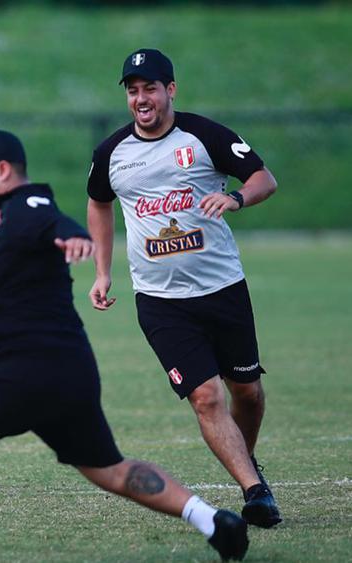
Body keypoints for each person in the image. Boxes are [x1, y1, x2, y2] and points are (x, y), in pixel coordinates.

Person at [0, 129, 250, 563]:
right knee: (110, 469)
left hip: (14, 374)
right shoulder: (5, 217)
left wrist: (75, 236)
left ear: (3, 170)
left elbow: (52, 221)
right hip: (66, 375)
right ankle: (214, 521)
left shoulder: (29, 204)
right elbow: (13, 237)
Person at [86, 48, 281, 528]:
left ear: (170, 90)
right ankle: (255, 491)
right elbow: (98, 203)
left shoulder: (205, 135)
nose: (141, 98)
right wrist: (102, 272)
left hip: (222, 288)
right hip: (160, 301)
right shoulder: (111, 152)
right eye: (133, 91)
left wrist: (236, 198)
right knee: (207, 397)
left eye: (150, 88)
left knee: (247, 392)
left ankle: (246, 463)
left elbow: (264, 178)